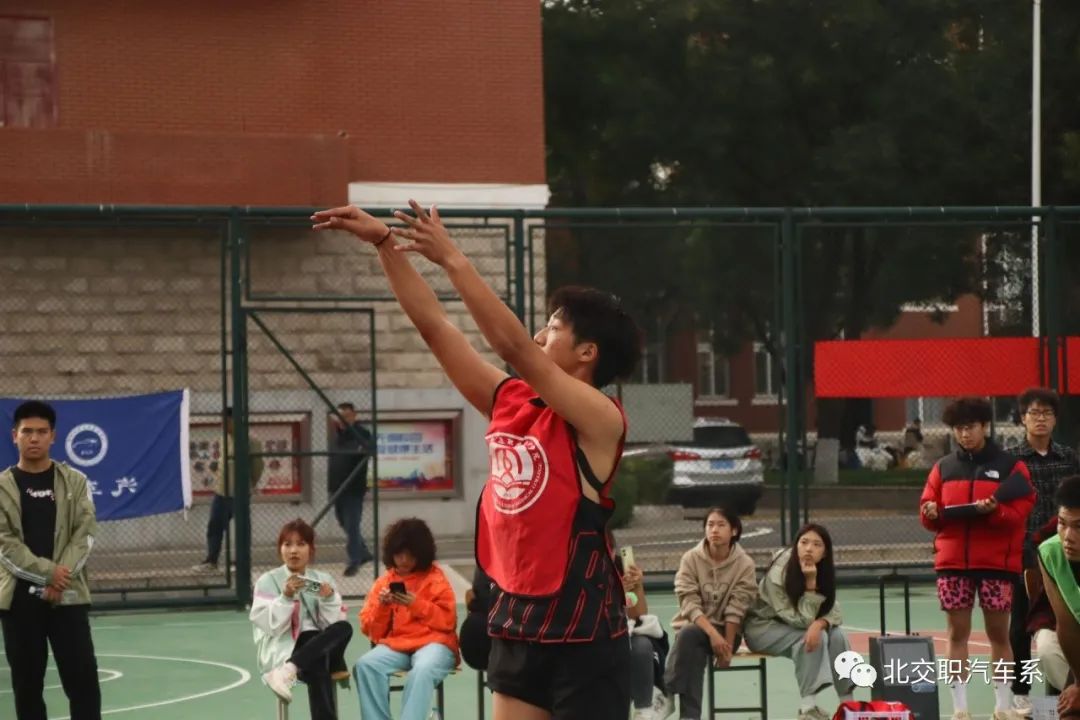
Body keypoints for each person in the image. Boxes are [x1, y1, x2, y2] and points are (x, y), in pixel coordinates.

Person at [312, 200, 642, 720]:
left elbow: (514, 346)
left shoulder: (601, 420)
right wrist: (385, 245)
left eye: (554, 328)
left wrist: (452, 258)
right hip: (518, 621)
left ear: (588, 352)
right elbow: (436, 328)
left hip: (583, 632)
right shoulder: (509, 399)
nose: (540, 336)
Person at [919, 397, 1035, 720]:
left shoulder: (1011, 467)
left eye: (970, 427)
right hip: (953, 564)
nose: (964, 434)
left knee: (999, 634)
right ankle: (960, 709)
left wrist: (995, 511)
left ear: (985, 426)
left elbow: (1021, 511)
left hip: (996, 564)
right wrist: (930, 512)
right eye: (958, 428)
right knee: (956, 635)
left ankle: (1002, 707)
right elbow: (927, 511)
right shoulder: (942, 468)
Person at [0, 400, 101, 720]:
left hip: (68, 596)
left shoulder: (76, 481)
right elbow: (5, 544)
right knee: (27, 687)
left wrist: (61, 578)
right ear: (14, 435)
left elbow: (84, 534)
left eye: (42, 432)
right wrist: (48, 574)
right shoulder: (2, 487)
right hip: (20, 602)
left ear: (53, 437)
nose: (34, 438)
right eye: (27, 431)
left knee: (83, 682)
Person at [1010, 388, 1079, 713]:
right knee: (1021, 625)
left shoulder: (1069, 457)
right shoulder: (1012, 460)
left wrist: (1065, 531)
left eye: (1046, 413)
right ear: (1022, 418)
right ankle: (1021, 690)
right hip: (1024, 549)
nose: (1040, 419)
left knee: (1062, 620)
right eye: (1034, 413)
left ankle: (1058, 694)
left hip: (1064, 549)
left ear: (1055, 419)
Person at [655, 507, 757, 720]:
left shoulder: (745, 564)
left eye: (721, 525)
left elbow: (737, 608)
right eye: (710, 525)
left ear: (734, 531)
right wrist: (712, 634)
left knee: (689, 639)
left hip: (729, 633)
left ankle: (667, 693)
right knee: (692, 643)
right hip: (697, 627)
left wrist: (726, 646)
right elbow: (688, 603)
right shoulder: (691, 558)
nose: (714, 530)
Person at [743, 524, 853, 720]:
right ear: (796, 546)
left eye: (816, 545)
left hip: (794, 627)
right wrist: (810, 584)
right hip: (763, 628)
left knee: (837, 635)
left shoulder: (824, 570)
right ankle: (807, 708)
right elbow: (800, 621)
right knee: (811, 637)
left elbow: (835, 611)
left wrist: (820, 623)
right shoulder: (779, 572)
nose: (809, 549)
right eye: (804, 542)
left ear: (825, 553)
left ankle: (848, 705)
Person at [354, 518, 458, 720]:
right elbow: (372, 631)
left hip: (435, 644)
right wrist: (383, 607)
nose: (403, 560)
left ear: (421, 554)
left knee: (423, 669)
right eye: (399, 554)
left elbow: (448, 621)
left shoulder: (436, 579)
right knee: (365, 665)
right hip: (398, 646)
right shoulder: (384, 583)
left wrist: (415, 604)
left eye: (410, 555)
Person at [252, 519, 352, 719]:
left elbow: (332, 626)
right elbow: (270, 627)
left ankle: (289, 669)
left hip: (319, 647)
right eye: (287, 544)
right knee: (318, 662)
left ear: (311, 549)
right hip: (285, 646)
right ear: (280, 549)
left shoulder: (323, 579)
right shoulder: (268, 581)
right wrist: (286, 597)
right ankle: (291, 667)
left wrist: (328, 599)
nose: (293, 550)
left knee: (344, 627)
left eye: (301, 544)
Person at [193, 407, 264, 573]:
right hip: (221, 492)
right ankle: (211, 560)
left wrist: (250, 484)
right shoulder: (224, 439)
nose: (222, 424)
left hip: (240, 493)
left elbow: (257, 467)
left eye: (225, 421)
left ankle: (242, 563)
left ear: (234, 421)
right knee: (215, 526)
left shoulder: (251, 441)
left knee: (242, 530)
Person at [1037, 476, 1080, 717]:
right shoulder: (1050, 552)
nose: (1068, 536)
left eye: (1079, 527)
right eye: (1063, 524)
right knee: (1069, 709)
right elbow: (1066, 624)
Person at [328, 402, 375, 575]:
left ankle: (354, 561)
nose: (343, 419)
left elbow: (368, 449)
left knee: (352, 524)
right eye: (340, 416)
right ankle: (364, 553)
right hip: (336, 487)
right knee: (343, 522)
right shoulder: (336, 436)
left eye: (347, 416)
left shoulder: (361, 434)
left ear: (354, 416)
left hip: (353, 488)